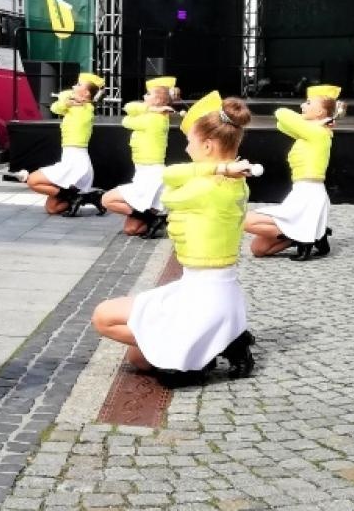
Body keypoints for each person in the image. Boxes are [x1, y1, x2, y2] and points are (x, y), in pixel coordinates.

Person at [91, 93, 258, 388]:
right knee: (138, 358)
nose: (186, 147)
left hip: (205, 296)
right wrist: (217, 167)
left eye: (190, 142)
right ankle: (219, 340)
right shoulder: (230, 179)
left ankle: (214, 343)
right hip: (203, 287)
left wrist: (211, 172)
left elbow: (170, 191)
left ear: (207, 145)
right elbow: (171, 174)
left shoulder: (208, 189)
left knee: (103, 318)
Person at [243, 85, 344, 260]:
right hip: (301, 192)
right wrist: (318, 120)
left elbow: (281, 113)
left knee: (245, 220)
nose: (302, 106)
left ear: (319, 111)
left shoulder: (317, 133)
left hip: (309, 194)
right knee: (259, 248)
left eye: (308, 102)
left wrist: (318, 123)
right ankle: (313, 234)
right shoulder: (311, 131)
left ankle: (309, 234)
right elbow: (281, 125)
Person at [7, 74, 106, 216]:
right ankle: (86, 197)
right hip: (70, 159)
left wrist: (70, 101)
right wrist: (68, 102)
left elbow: (60, 103)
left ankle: (74, 196)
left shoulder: (86, 109)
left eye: (78, 85)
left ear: (85, 93)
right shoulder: (72, 105)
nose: (73, 87)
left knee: (33, 180)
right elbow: (54, 107)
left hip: (76, 162)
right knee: (52, 208)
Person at [101, 76, 172, 237]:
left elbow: (126, 119)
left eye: (148, 95)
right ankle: (155, 218)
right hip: (143, 172)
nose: (143, 97)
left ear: (159, 99)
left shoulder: (154, 119)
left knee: (106, 200)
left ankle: (154, 216)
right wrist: (149, 108)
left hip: (151, 174)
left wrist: (148, 111)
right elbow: (129, 107)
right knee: (131, 230)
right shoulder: (152, 115)